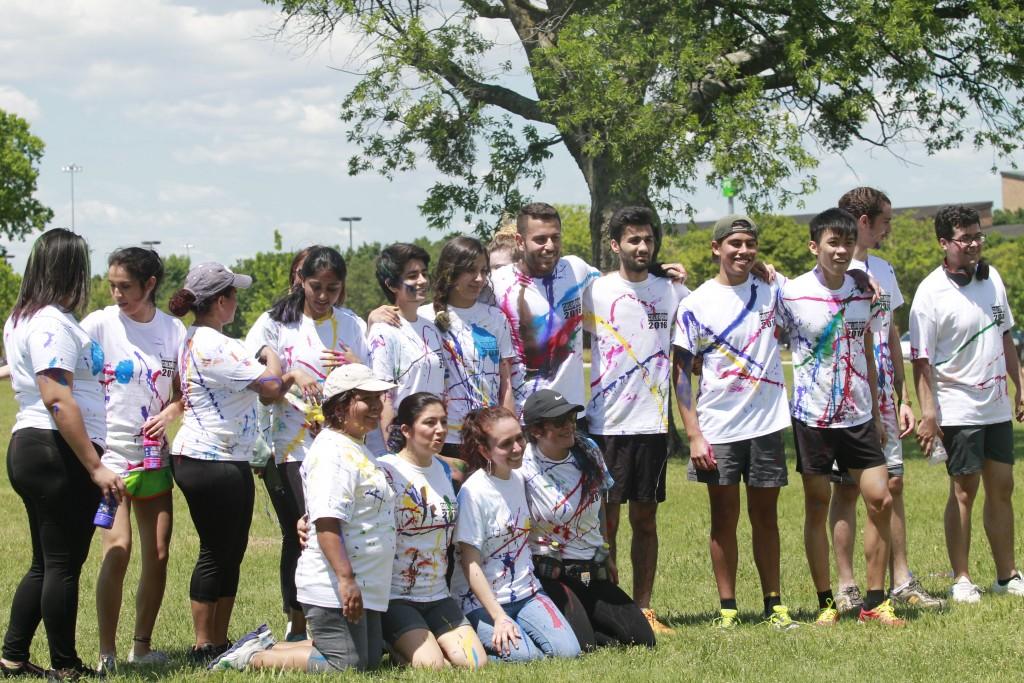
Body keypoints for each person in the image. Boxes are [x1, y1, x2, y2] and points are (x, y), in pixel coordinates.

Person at [208, 364, 399, 672]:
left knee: (369, 661)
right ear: (340, 405)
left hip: (364, 582)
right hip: (332, 586)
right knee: (346, 667)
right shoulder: (331, 453)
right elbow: (325, 521)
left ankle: (266, 645)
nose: (377, 407)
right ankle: (252, 657)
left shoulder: (357, 447)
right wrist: (346, 580)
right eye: (367, 399)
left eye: (379, 398)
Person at [0, 229, 126, 680]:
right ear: (70, 270)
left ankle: (13, 657)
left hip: (34, 447)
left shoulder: (24, 317)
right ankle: (66, 666)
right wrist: (94, 466)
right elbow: (57, 398)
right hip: (55, 450)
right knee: (63, 564)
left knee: (46, 561)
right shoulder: (52, 322)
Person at [778, 208, 902, 626]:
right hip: (812, 417)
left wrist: (882, 406)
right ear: (815, 246)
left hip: (859, 415)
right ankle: (826, 603)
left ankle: (874, 601)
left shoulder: (865, 290)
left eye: (847, 243)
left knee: (880, 499)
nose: (840, 250)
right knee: (817, 505)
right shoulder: (791, 293)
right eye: (832, 242)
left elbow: (869, 350)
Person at [673, 214, 797, 630]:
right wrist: (693, 434)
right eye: (734, 243)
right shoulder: (695, 304)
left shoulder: (771, 290)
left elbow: (814, 298)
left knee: (766, 518)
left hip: (765, 424)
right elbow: (681, 373)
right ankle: (727, 608)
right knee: (723, 518)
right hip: (718, 428)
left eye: (749, 243)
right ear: (716, 248)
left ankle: (773, 604)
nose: (743, 251)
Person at [168, 262, 292, 663]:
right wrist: (272, 357)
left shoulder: (198, 339)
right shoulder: (213, 344)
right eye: (234, 295)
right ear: (220, 302)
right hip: (211, 458)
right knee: (216, 551)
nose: (237, 301)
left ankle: (218, 641)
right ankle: (203, 643)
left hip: (220, 457)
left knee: (231, 549)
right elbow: (270, 388)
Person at [827, 188, 944, 611]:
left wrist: (903, 397)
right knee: (845, 489)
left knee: (892, 483)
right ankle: (846, 586)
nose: (889, 228)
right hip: (845, 391)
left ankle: (901, 581)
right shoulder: (833, 267)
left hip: (884, 389)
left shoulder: (885, 270)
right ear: (863, 220)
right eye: (885, 221)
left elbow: (890, 332)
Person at [245, 246, 368, 641]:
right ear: (301, 280)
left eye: (332, 288)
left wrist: (356, 365)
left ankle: (338, 619)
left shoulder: (351, 324)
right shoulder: (274, 324)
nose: (323, 295)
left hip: (340, 447)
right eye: (316, 286)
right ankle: (298, 622)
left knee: (341, 532)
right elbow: (263, 391)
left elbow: (370, 387)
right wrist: (293, 374)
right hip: (291, 448)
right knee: (301, 533)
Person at [910, 205, 1024, 602]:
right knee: (964, 489)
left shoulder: (992, 281)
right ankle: (961, 578)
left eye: (978, 235)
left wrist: (1020, 386)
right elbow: (921, 360)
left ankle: (1007, 575)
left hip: (995, 405)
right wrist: (929, 413)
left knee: (1003, 487)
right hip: (956, 405)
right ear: (944, 242)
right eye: (965, 238)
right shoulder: (930, 293)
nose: (974, 244)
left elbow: (1006, 336)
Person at [583, 206, 688, 634]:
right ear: (615, 245)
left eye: (648, 240)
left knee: (645, 520)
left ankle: (643, 608)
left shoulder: (673, 291)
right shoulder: (595, 291)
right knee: (605, 522)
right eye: (633, 240)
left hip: (651, 425)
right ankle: (611, 607)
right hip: (605, 425)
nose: (642, 247)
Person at [84, 248, 186, 673]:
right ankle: (106, 654)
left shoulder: (173, 330)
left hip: (154, 461)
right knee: (118, 549)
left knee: (158, 554)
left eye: (125, 286)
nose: (116, 293)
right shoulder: (99, 324)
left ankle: (140, 648)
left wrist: (170, 413)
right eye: (112, 284)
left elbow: (184, 391)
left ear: (150, 285)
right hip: (111, 460)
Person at [520, 389, 656, 649]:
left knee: (642, 639)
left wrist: (605, 550)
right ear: (537, 431)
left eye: (571, 418)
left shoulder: (588, 449)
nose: (569, 426)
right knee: (585, 644)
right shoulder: (524, 464)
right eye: (559, 422)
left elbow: (600, 501)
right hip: (552, 570)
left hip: (590, 567)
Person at [450, 406, 581, 662]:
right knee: (529, 658)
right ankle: (467, 645)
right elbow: (470, 564)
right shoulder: (473, 493)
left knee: (569, 652)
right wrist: (498, 617)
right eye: (505, 444)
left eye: (519, 438)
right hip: (481, 602)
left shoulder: (520, 478)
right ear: (485, 450)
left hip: (527, 592)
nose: (517, 448)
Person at [378, 393, 487, 668]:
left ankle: (418, 645)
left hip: (438, 594)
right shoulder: (385, 471)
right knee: (434, 667)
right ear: (406, 430)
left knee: (475, 663)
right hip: (396, 596)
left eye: (443, 421)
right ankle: (389, 641)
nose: (440, 429)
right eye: (429, 422)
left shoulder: (444, 469)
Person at [490, 203, 601, 419]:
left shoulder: (574, 268)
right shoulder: (497, 285)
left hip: (572, 415)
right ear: (520, 242)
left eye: (555, 238)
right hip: (525, 418)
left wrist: (656, 273)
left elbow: (614, 285)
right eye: (540, 239)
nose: (550, 246)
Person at [420, 236, 515, 482]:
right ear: (450, 272)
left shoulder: (496, 318)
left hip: (487, 436)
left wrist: (508, 431)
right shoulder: (423, 317)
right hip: (443, 438)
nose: (479, 279)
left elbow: (506, 382)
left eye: (484, 271)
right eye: (470, 271)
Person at [367, 243, 444, 452]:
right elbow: (384, 397)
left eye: (424, 274)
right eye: (412, 276)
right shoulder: (383, 332)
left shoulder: (431, 328)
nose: (422, 281)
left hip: (429, 444)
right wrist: (396, 452)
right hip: (401, 449)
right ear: (392, 284)